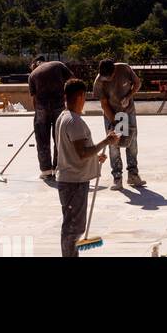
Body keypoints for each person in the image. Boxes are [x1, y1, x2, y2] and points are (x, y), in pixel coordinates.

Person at [55, 78, 119, 258]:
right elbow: (82, 152)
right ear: (81, 96)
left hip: (70, 178)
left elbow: (72, 152)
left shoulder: (63, 117)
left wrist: (95, 158)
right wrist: (105, 141)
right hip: (74, 181)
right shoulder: (74, 121)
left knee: (72, 225)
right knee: (74, 227)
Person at [93, 58, 144, 189]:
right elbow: (104, 104)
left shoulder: (124, 69)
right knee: (113, 144)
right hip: (111, 113)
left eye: (109, 77)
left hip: (128, 111)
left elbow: (137, 83)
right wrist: (115, 121)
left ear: (114, 71)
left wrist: (128, 96)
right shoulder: (99, 82)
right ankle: (117, 177)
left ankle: (133, 174)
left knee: (131, 142)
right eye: (105, 78)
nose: (107, 80)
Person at [27, 57, 72, 182]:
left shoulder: (32, 75)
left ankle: (46, 172)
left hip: (42, 109)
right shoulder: (58, 64)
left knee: (42, 141)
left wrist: (38, 117)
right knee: (60, 139)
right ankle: (58, 168)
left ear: (35, 64)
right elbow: (73, 82)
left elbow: (34, 99)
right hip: (59, 107)